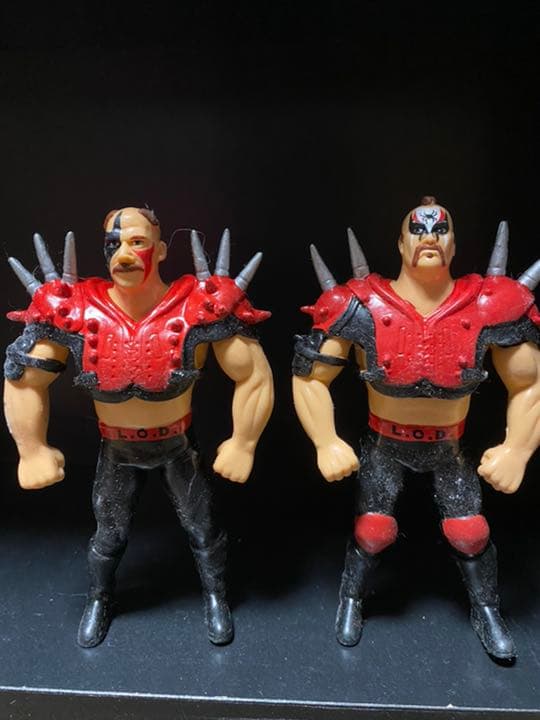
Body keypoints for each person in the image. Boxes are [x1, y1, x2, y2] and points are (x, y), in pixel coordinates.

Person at [4, 206, 274, 648]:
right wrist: (31, 449)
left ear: (161, 249)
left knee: (202, 527)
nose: (124, 254)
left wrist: (243, 442)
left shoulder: (197, 308)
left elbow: (253, 375)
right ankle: (99, 597)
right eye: (114, 244)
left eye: (137, 242)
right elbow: (23, 378)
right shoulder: (75, 311)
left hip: (177, 446)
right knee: (109, 534)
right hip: (118, 449)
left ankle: (215, 596)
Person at [292, 196, 540, 660]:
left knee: (470, 532)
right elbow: (310, 377)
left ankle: (487, 609)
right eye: (419, 229)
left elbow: (530, 383)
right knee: (372, 529)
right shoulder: (360, 307)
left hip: (449, 447)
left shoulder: (487, 305)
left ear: (454, 244)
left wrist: (517, 450)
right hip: (385, 442)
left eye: (440, 230)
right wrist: (325, 441)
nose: (430, 237)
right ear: (401, 243)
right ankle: (351, 598)